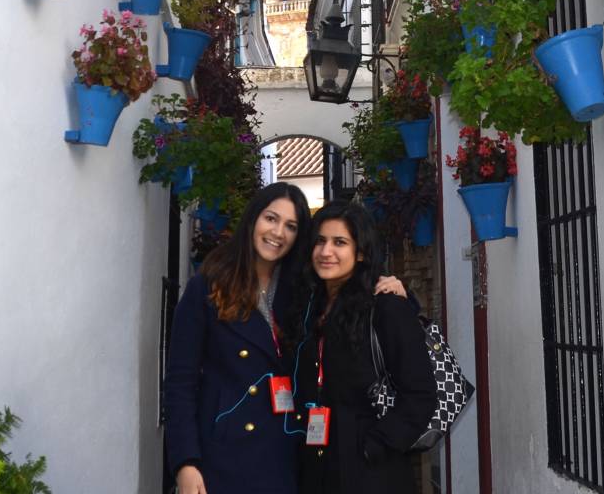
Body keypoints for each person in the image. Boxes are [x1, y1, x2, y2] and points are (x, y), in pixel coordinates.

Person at [165, 185, 405, 494]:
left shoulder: (305, 287)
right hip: (223, 453)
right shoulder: (208, 287)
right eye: (271, 218)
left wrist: (395, 290)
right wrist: (185, 461)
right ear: (253, 219)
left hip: (290, 450)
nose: (278, 232)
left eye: (291, 226)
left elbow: (355, 296)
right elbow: (180, 382)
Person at [292, 202, 437, 494]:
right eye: (320, 241)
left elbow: (420, 394)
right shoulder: (309, 307)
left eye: (339, 242)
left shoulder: (385, 307)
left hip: (371, 474)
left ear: (360, 253)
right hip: (319, 464)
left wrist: (375, 446)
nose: (326, 251)